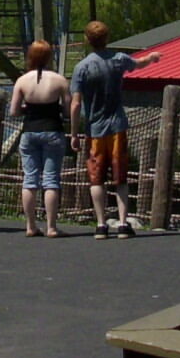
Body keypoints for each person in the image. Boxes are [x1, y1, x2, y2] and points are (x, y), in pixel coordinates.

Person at [69, 20, 161, 239]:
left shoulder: (82, 67)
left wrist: (74, 132)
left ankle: (101, 224)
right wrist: (152, 58)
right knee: (120, 177)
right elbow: (138, 64)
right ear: (106, 38)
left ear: (87, 40)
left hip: (95, 129)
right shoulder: (118, 60)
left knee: (96, 177)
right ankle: (122, 223)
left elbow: (75, 103)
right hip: (117, 125)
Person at [9, 40, 69, 238]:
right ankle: (51, 226)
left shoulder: (22, 81)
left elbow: (14, 111)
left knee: (30, 179)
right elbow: (68, 110)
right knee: (51, 179)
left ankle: (30, 225)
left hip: (30, 131)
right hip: (53, 130)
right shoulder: (59, 80)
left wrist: (29, 108)